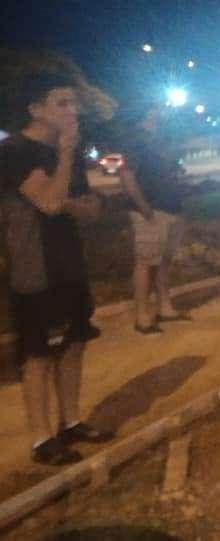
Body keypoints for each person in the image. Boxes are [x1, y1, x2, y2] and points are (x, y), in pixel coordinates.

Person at [0, 72, 113, 465]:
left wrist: (64, 193)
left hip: (70, 263)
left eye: (73, 102)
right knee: (38, 354)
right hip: (35, 269)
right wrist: (64, 160)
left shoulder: (69, 152)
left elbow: (90, 210)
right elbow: (50, 204)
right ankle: (41, 439)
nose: (72, 110)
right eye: (62, 103)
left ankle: (71, 421)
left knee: (74, 343)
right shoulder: (15, 151)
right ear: (35, 109)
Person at [119, 106, 190, 334]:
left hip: (171, 208)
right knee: (145, 263)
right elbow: (127, 176)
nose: (165, 109)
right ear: (148, 109)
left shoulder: (159, 137)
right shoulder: (135, 139)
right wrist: (144, 208)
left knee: (163, 261)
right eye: (159, 105)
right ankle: (142, 317)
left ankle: (164, 308)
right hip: (151, 209)